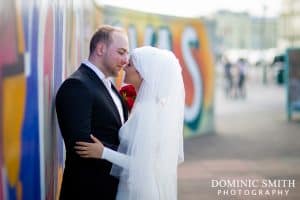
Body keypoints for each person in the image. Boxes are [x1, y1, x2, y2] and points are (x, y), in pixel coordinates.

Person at [75, 46, 185, 200]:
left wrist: (103, 152)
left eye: (131, 65)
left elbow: (143, 165)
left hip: (138, 192)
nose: (125, 66)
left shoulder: (148, 111)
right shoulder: (148, 106)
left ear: (142, 73)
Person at [55, 25, 129, 200]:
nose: (125, 60)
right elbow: (81, 145)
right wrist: (133, 156)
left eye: (127, 54)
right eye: (121, 52)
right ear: (101, 49)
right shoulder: (77, 85)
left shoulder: (110, 87)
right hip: (87, 191)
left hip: (113, 190)